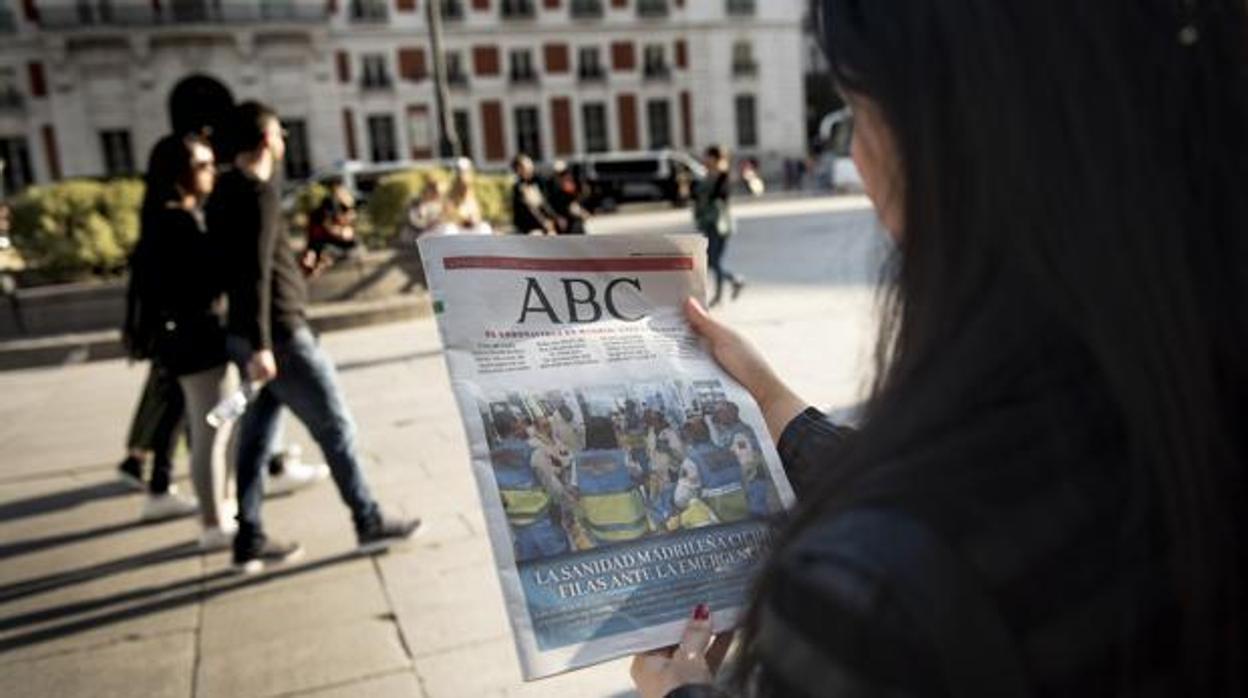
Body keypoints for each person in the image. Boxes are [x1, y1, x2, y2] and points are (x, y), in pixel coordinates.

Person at [629, 1, 1248, 696]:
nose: (858, 160)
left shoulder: (870, 601)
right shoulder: (1177, 392)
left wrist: (680, 690)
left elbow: (958, 508)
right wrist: (773, 402)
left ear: (945, 146)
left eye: (860, 112)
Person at [207, 101, 420, 574]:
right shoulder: (260, 193)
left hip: (249, 332)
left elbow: (248, 268)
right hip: (279, 336)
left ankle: (249, 537)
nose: (284, 141)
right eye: (279, 134)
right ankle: (368, 520)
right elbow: (255, 272)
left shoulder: (221, 192)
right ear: (266, 140)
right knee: (336, 427)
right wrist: (264, 343)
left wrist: (297, 274)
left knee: (257, 439)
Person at [130, 133, 237, 550]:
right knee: (213, 430)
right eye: (204, 164)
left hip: (188, 343)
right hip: (199, 343)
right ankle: (214, 521)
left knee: (213, 426)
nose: (212, 171)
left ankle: (218, 513)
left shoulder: (162, 219)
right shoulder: (177, 222)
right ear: (180, 175)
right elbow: (205, 281)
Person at [490, 412, 572, 562]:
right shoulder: (532, 452)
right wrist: (565, 505)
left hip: (517, 524)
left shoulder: (492, 457)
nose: (526, 427)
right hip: (543, 521)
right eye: (521, 424)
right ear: (514, 427)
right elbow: (551, 485)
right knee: (560, 562)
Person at [570, 416, 649, 547]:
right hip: (629, 524)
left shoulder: (577, 461)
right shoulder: (622, 456)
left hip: (599, 525)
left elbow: (575, 490)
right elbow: (640, 477)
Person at [692, 146, 744, 307]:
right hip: (707, 223)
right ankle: (722, 293)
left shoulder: (722, 176)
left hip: (719, 224)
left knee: (713, 261)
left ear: (714, 158)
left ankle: (733, 281)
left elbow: (721, 196)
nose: (704, 160)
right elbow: (696, 197)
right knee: (712, 261)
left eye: (707, 157)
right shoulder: (705, 176)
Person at [301, 179, 357, 277]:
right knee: (314, 249)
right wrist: (338, 230)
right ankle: (314, 266)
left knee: (314, 249)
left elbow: (347, 217)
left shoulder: (340, 203)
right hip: (321, 234)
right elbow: (329, 223)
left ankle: (314, 265)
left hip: (320, 235)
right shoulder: (330, 202)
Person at [442, 157, 492, 236]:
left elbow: (478, 215)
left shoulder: (475, 191)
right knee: (448, 229)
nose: (463, 174)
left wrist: (474, 219)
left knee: (485, 228)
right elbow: (448, 216)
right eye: (460, 171)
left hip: (471, 229)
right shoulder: (450, 194)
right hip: (458, 230)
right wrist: (461, 220)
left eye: (465, 171)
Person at [511, 154, 558, 235]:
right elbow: (530, 208)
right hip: (529, 227)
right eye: (526, 165)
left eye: (530, 163)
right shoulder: (519, 187)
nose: (530, 166)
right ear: (519, 169)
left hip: (545, 223)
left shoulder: (538, 181)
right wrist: (544, 223)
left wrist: (554, 218)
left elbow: (544, 203)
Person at [548, 161, 589, 235]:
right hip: (562, 218)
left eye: (563, 172)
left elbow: (582, 193)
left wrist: (580, 207)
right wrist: (557, 217)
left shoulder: (571, 180)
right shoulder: (552, 185)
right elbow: (551, 203)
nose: (561, 176)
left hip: (574, 217)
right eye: (558, 174)